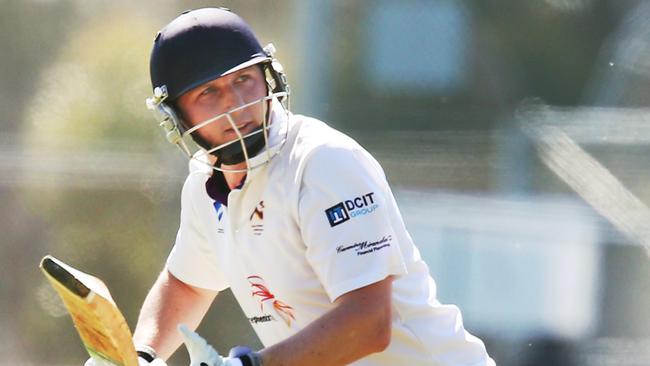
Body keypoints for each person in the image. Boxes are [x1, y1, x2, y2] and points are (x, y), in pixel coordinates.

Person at [91, 7, 496, 366]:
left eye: (244, 80)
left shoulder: (323, 162)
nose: (236, 104)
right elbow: (187, 284)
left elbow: (370, 324)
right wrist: (141, 354)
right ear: (176, 114)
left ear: (269, 78)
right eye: (209, 92)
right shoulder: (205, 185)